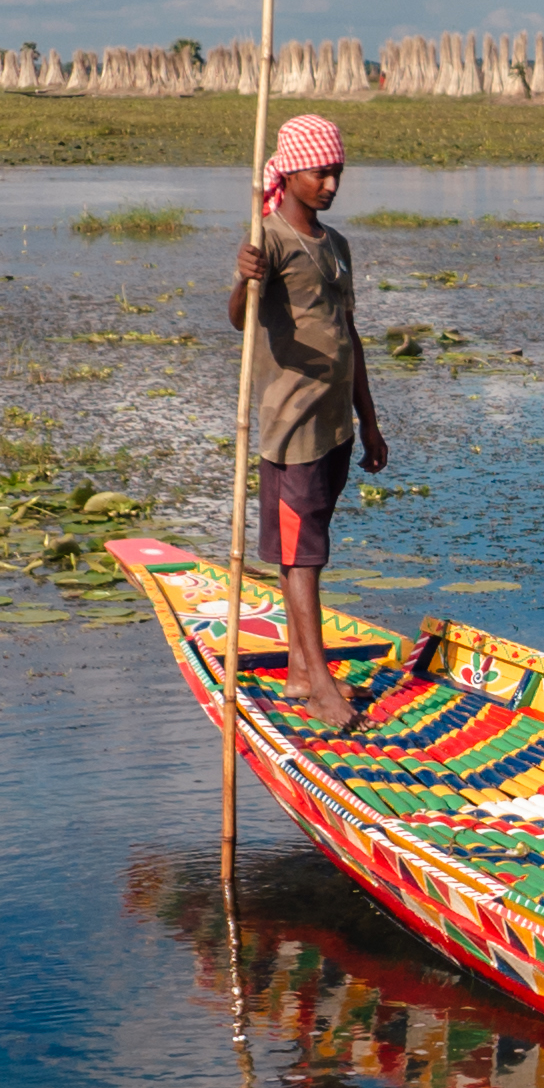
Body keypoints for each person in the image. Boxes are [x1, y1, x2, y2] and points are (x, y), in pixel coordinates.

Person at [220, 112, 391, 734]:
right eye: (320, 172)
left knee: (309, 545)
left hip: (334, 426)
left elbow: (350, 336)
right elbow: (241, 319)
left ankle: (298, 668)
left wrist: (369, 421)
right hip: (291, 428)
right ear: (288, 173)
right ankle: (319, 687)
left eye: (337, 173)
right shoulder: (265, 241)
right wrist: (243, 280)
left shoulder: (336, 246)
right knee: (302, 556)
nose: (330, 184)